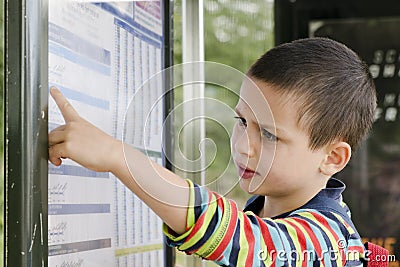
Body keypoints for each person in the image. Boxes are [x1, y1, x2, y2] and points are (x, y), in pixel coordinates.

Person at [48, 37, 376, 266]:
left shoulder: (328, 239)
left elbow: (245, 240)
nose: (243, 146)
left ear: (332, 157)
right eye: (241, 121)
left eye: (270, 136)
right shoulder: (261, 210)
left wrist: (117, 156)